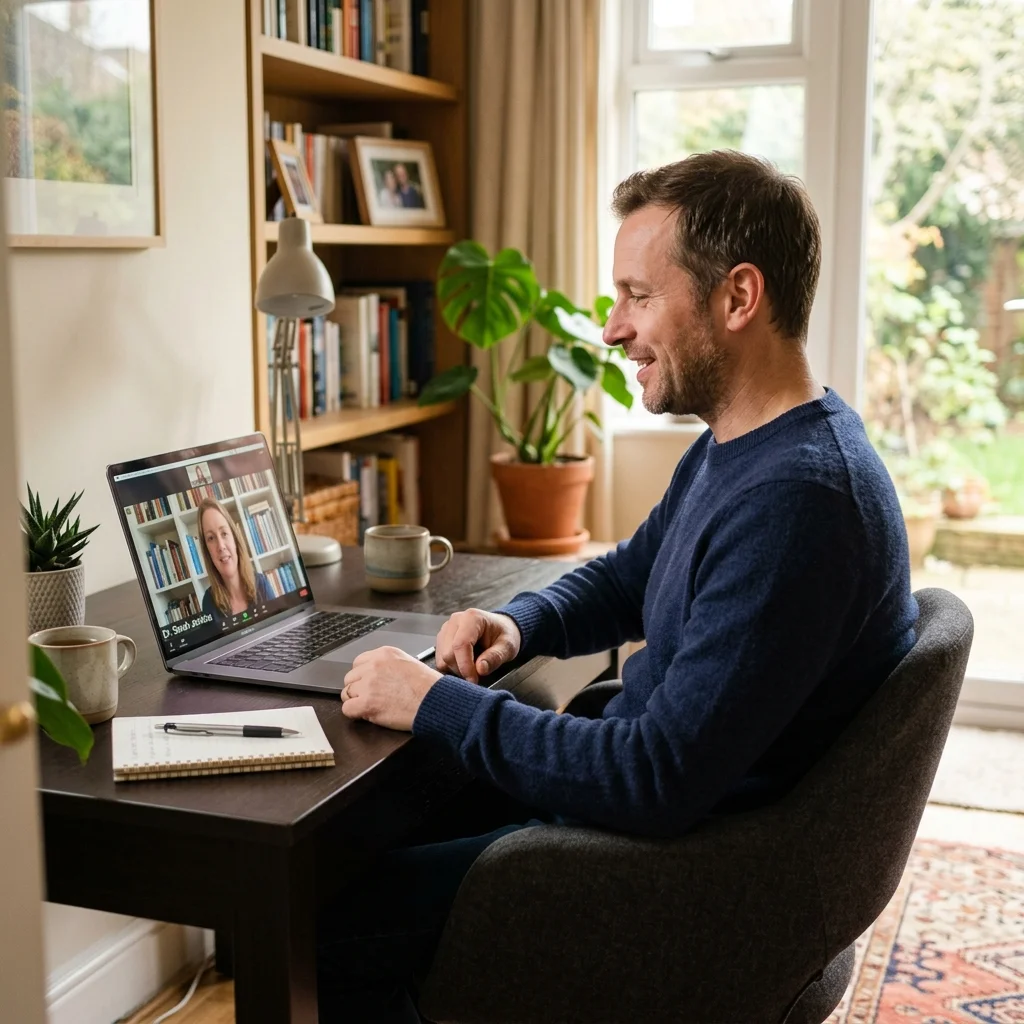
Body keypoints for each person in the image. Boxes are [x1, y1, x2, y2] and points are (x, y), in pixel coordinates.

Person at [316, 150, 918, 1022]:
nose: (610, 327)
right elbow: (635, 574)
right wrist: (519, 624)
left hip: (670, 878)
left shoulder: (801, 500)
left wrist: (431, 704)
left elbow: (652, 778)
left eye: (638, 295)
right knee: (374, 831)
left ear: (738, 297)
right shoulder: (749, 445)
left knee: (328, 916)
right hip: (665, 826)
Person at [196, 497, 273, 627]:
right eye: (211, 538)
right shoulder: (208, 602)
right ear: (206, 551)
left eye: (224, 533)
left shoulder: (262, 585)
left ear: (235, 539)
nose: (221, 546)